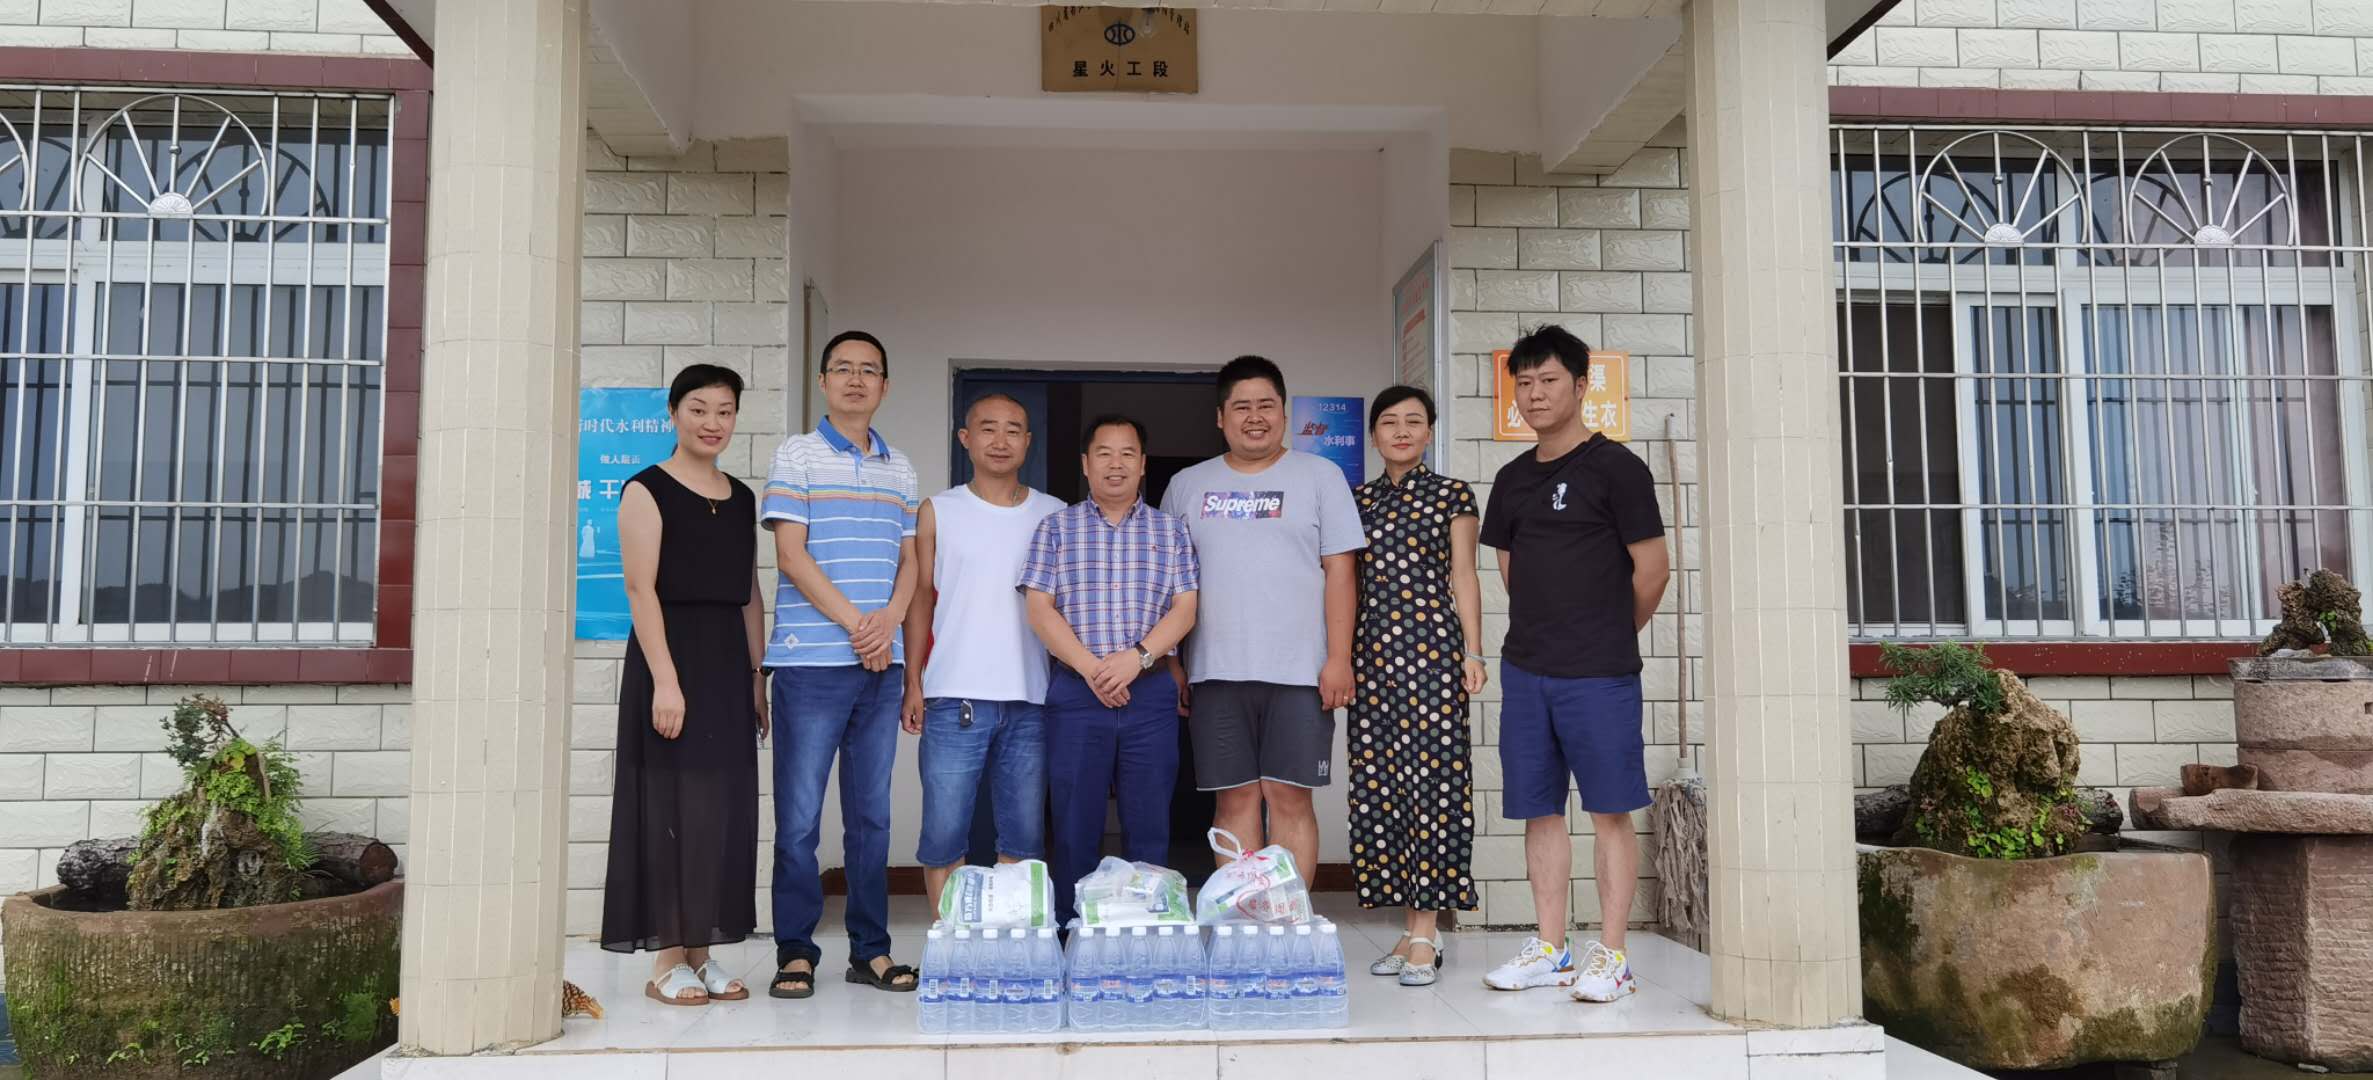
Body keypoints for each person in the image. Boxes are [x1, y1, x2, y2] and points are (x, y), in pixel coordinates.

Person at [1477, 324, 1669, 1003]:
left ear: (1581, 386)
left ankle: (1612, 956)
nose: (1534, 394)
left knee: (1609, 810)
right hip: (1527, 669)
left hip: (1600, 673)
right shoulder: (1510, 479)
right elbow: (1510, 571)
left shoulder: (1617, 469)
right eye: (1524, 382)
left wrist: (1606, 632)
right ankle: (1551, 948)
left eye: (1548, 380)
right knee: (1539, 811)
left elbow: (1652, 570)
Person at [761, 330, 922, 999]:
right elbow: (790, 555)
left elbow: (911, 563)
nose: (856, 380)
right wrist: (861, 625)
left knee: (871, 819)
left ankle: (870, 951)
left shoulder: (901, 468)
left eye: (869, 370)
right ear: (824, 381)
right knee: (800, 819)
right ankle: (796, 951)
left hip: (881, 667)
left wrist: (888, 624)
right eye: (843, 369)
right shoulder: (796, 455)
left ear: (884, 385)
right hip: (811, 665)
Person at [600, 363, 766, 1007]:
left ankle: (702, 952)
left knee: (719, 808)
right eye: (699, 409)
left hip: (727, 662)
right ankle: (667, 957)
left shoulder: (742, 497)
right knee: (672, 805)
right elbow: (640, 589)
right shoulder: (646, 489)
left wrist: (756, 677)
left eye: (724, 411)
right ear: (673, 414)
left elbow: (749, 593)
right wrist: (666, 683)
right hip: (669, 660)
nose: (712, 422)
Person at [1161, 356, 1364, 879]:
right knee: (1234, 800)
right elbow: (1168, 582)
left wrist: (1339, 658)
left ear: (1284, 414)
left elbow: (1341, 572)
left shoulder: (1321, 476)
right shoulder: (1186, 485)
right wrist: (1173, 664)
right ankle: (1243, 919)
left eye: (1266, 406)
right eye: (1242, 407)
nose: (1255, 417)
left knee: (1289, 797)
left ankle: (1288, 920)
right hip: (1214, 672)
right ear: (1220, 417)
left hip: (1300, 672)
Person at [1019, 415, 1200, 925]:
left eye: (1127, 454)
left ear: (1143, 465)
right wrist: (1095, 670)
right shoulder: (1056, 528)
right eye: (1103, 453)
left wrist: (1136, 659)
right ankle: (1071, 931)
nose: (1115, 464)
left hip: (1150, 693)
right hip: (1077, 694)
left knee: (1149, 822)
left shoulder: (1171, 531)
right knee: (1074, 821)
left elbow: (1185, 609)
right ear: (1085, 464)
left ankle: (1143, 932)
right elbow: (1039, 608)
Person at [900, 394, 1065, 910]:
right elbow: (920, 599)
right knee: (944, 833)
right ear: (965, 439)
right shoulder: (938, 511)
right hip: (954, 696)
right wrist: (913, 681)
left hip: (1031, 698)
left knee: (1022, 836)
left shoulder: (1055, 515)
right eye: (987, 428)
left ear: (1028, 442)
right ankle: (948, 942)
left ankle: (1009, 942)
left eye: (1013, 429)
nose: (1000, 440)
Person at [1349, 385, 1484, 989]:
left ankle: (1426, 932)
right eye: (1389, 422)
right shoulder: (1358, 500)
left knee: (1432, 788)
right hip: (1372, 660)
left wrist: (1473, 652)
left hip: (1432, 657)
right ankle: (1410, 929)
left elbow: (1464, 575)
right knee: (1382, 792)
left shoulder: (1452, 493)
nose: (1401, 431)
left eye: (1413, 421)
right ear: (1374, 435)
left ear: (1429, 431)